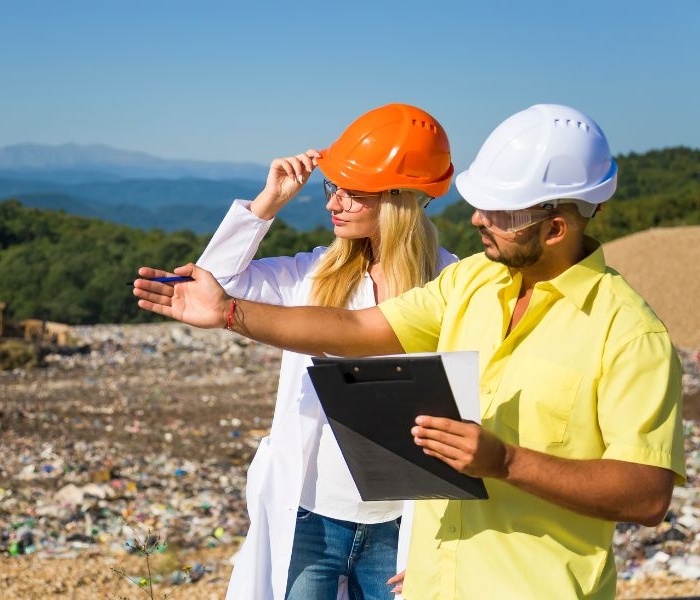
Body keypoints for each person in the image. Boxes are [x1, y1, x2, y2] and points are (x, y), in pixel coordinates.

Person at [133, 103, 686, 599]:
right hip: (395, 556)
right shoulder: (469, 284)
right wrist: (231, 308)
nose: (476, 220)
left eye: (496, 211)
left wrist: (505, 462)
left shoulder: (627, 333)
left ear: (556, 227)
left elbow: (644, 495)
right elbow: (355, 329)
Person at [186, 103, 456, 600]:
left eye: (352, 194)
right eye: (333, 188)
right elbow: (213, 286)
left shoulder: (454, 284)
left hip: (403, 526)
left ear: (400, 200)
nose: (333, 204)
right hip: (310, 514)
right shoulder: (312, 275)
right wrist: (268, 201)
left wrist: (438, 549)